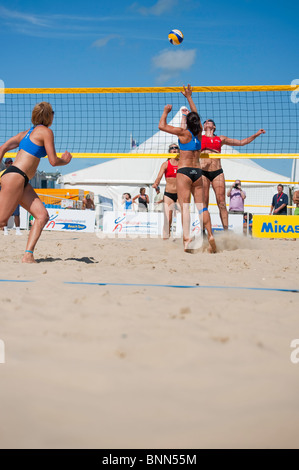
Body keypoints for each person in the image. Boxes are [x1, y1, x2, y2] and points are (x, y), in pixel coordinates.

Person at [0, 101, 72, 263]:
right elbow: (53, 161)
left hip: (20, 180)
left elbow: (2, 148)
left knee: (42, 216)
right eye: (53, 112)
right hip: (16, 177)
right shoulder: (46, 132)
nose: (54, 115)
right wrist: (65, 161)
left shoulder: (25, 133)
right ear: (48, 116)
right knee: (1, 221)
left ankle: (28, 255)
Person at [158, 84, 216, 253]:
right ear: (197, 122)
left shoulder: (183, 133)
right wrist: (189, 97)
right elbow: (196, 115)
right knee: (202, 207)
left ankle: (186, 239)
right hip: (197, 172)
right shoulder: (199, 134)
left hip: (183, 172)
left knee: (185, 207)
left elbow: (161, 126)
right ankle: (210, 234)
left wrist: (166, 112)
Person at [200, 118, 266, 230]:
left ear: (214, 127)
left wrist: (256, 134)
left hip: (217, 172)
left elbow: (241, 143)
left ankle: (226, 232)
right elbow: (183, 133)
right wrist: (185, 116)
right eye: (205, 121)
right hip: (203, 172)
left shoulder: (220, 138)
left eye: (209, 121)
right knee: (204, 204)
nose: (206, 122)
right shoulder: (199, 137)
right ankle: (203, 231)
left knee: (221, 203)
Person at [152, 143, 180, 237]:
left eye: (176, 148)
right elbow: (159, 176)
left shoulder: (182, 163)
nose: (174, 149)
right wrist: (156, 183)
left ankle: (185, 238)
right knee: (168, 218)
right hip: (169, 194)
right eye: (172, 148)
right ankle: (166, 239)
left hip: (180, 193)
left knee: (184, 215)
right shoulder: (165, 164)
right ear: (169, 151)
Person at [1, 158, 22, 235]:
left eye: (11, 163)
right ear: (6, 164)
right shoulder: (2, 173)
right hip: (6, 196)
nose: (10, 164)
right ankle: (5, 230)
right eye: (8, 163)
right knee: (5, 214)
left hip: (15, 195)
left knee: (16, 214)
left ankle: (18, 230)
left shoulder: (16, 172)